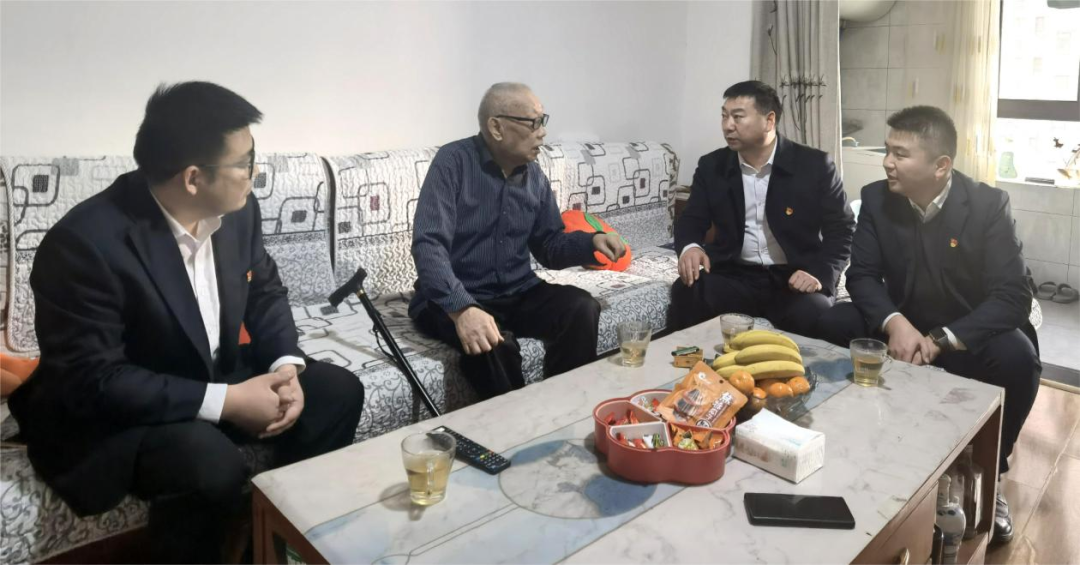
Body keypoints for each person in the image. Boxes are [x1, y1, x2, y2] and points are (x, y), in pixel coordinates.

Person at [9, 82, 365, 562]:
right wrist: (229, 401)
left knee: (337, 392)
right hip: (119, 408)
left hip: (205, 370)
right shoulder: (84, 244)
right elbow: (95, 380)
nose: (255, 173)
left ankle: (269, 547)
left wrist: (286, 367)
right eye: (245, 162)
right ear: (193, 178)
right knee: (208, 465)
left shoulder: (238, 210)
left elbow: (264, 291)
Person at [816, 105, 1040, 545]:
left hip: (967, 330)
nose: (887, 162)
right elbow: (862, 275)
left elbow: (1013, 295)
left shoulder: (987, 205)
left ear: (941, 166)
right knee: (831, 322)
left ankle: (991, 476)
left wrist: (943, 339)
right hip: (903, 321)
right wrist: (895, 323)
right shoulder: (876, 199)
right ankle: (850, 440)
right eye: (887, 150)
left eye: (900, 154)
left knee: (1019, 358)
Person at [409, 82, 626, 399]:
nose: (543, 132)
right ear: (496, 127)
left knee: (581, 308)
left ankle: (566, 406)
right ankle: (518, 424)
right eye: (533, 123)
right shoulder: (453, 162)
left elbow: (549, 246)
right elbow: (428, 245)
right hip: (456, 296)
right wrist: (462, 308)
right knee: (495, 344)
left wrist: (592, 242)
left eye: (543, 121)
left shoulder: (533, 175)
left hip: (517, 291)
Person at [669, 80, 855, 336]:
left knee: (814, 313)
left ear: (769, 120)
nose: (727, 126)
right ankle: (687, 360)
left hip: (793, 278)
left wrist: (820, 275)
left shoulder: (814, 165)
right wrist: (690, 247)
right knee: (687, 291)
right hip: (734, 276)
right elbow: (692, 218)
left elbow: (842, 230)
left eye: (737, 117)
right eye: (724, 116)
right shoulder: (712, 166)